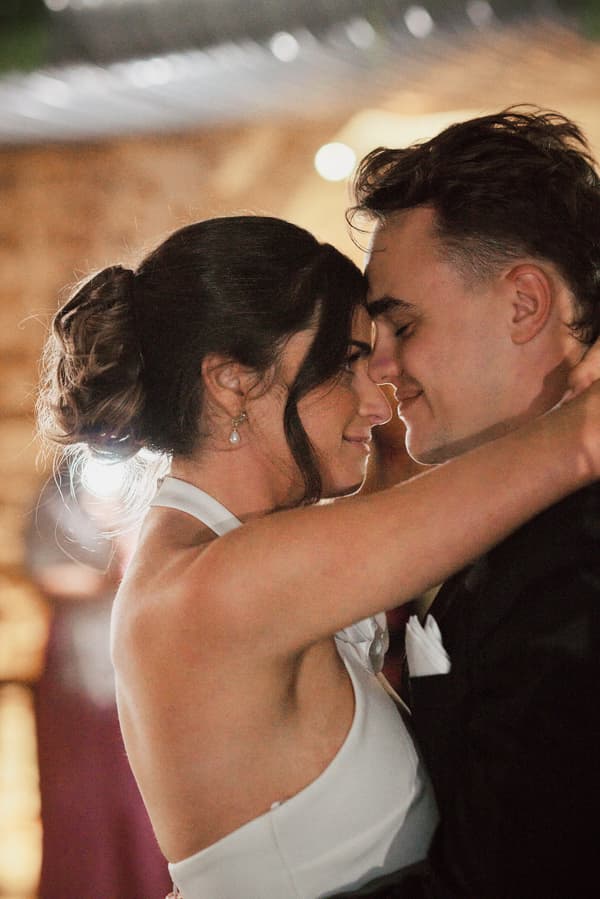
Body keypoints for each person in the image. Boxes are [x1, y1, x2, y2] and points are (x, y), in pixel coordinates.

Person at [36, 214, 600, 899]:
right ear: (234, 383)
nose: (377, 401)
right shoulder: (215, 586)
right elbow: (578, 446)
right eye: (343, 364)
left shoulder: (221, 559)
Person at [339, 107, 600, 898]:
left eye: (402, 325)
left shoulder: (580, 563)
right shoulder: (527, 525)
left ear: (525, 303)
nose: (380, 368)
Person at [24, 469, 171, 899]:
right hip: (80, 675)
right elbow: (43, 571)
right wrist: (109, 573)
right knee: (82, 806)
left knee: (145, 803)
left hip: (143, 668)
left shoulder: (154, 485)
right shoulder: (53, 497)